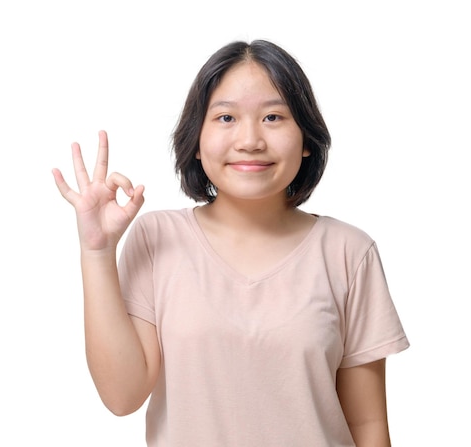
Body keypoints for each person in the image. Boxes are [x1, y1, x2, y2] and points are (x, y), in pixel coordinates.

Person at [52, 39, 409, 447]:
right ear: (197, 142)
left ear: (307, 138)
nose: (250, 140)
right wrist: (97, 252)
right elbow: (123, 396)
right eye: (225, 118)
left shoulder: (349, 252)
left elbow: (367, 425)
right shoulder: (157, 239)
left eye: (273, 117)